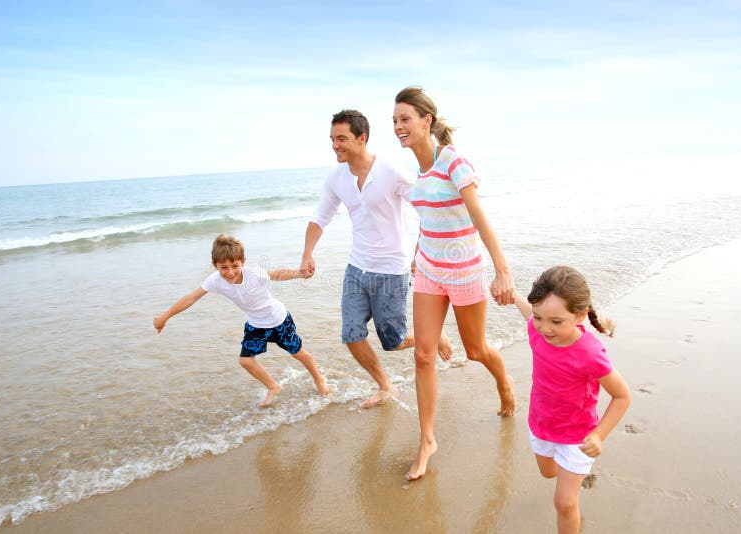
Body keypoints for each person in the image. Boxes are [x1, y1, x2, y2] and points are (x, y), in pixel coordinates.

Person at [393, 86, 517, 480]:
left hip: (464, 271)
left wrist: (502, 269)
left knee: (476, 350)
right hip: (429, 270)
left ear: (426, 120)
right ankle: (427, 439)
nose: (398, 127)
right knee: (424, 355)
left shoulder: (453, 162)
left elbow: (479, 217)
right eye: (395, 121)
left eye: (405, 119)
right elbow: (430, 217)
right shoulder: (420, 168)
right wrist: (416, 254)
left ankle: (505, 380)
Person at [300, 109, 452, 409]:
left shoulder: (390, 170)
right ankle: (385, 386)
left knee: (393, 341)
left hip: (391, 269)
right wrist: (307, 254)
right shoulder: (337, 177)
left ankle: (433, 335)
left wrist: (422, 249)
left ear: (362, 138)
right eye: (332, 139)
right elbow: (320, 217)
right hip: (357, 267)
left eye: (342, 139)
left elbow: (427, 207)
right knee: (351, 335)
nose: (335, 145)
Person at [512, 266, 631, 534]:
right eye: (541, 317)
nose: (545, 328)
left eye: (556, 321)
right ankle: (569, 476)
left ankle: (572, 496)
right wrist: (514, 297)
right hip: (541, 424)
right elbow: (528, 313)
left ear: (579, 315)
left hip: (577, 436)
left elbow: (622, 396)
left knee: (564, 503)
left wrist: (599, 435)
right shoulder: (537, 329)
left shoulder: (589, 353)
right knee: (547, 473)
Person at [154, 234, 330, 407]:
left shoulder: (253, 273)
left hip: (278, 320)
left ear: (243, 261)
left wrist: (299, 274)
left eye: (234, 266)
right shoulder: (214, 281)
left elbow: (276, 274)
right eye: (224, 267)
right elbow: (190, 298)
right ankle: (273, 386)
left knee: (297, 352)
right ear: (215, 265)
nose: (230, 272)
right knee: (246, 361)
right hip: (255, 324)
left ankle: (319, 378)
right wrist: (165, 317)